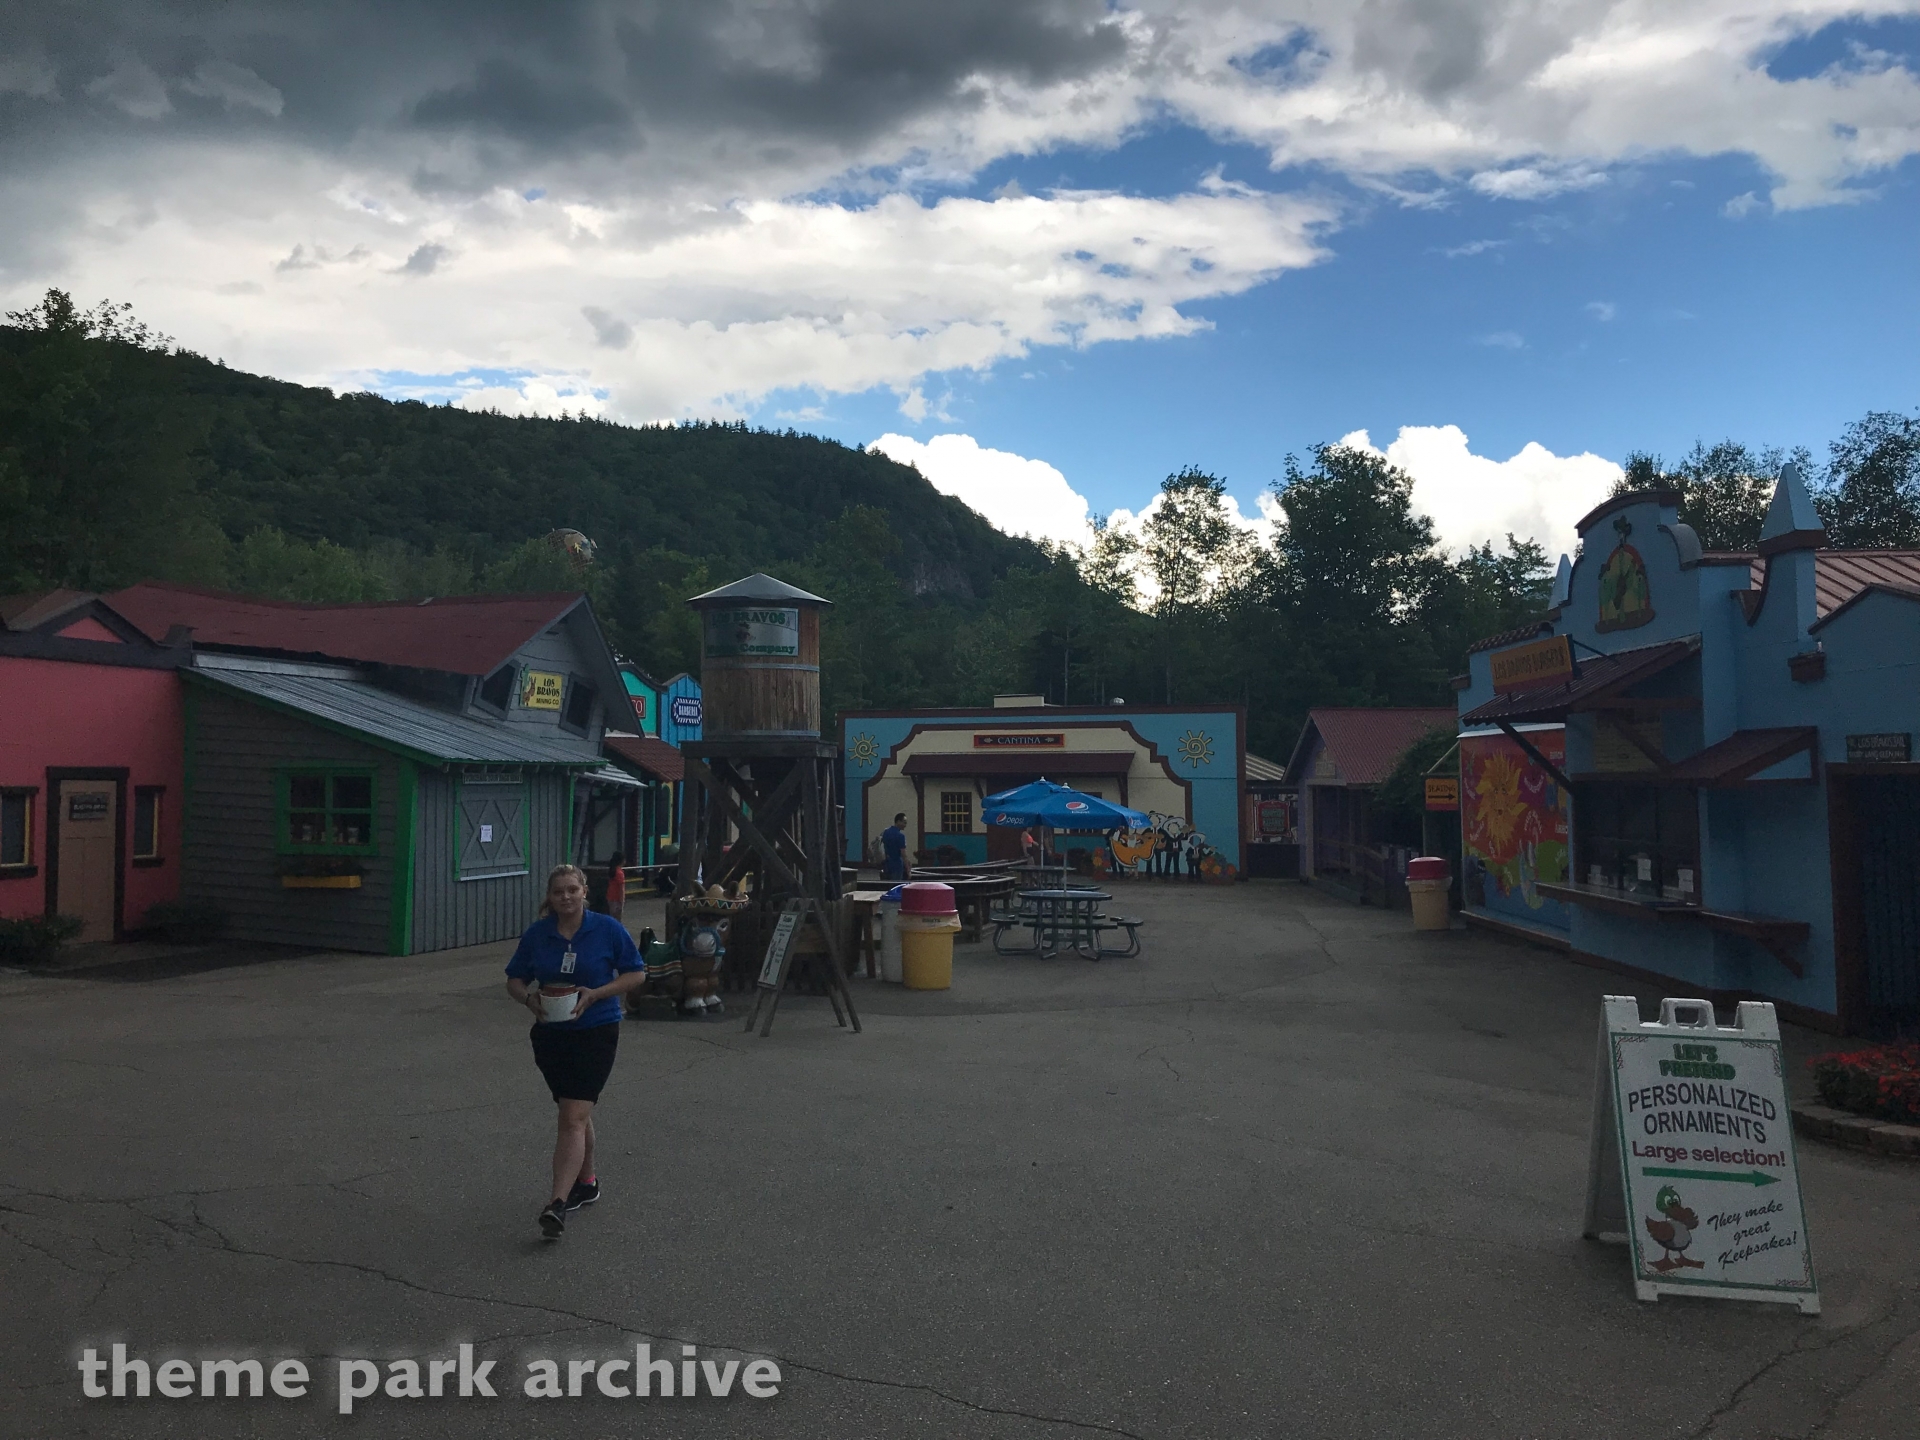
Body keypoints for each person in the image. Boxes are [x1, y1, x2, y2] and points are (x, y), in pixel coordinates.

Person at [504, 864, 649, 1239]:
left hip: (596, 1030)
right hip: (551, 1035)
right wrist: (528, 999)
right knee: (575, 1113)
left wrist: (596, 993)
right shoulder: (538, 935)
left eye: (572, 889)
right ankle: (587, 1181)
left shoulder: (607, 930)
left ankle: (557, 1203)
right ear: (549, 897)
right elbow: (515, 978)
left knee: (571, 1116)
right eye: (558, 892)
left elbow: (636, 973)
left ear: (585, 891)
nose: (565, 897)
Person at [881, 813, 909, 881]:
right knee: (896, 884)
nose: (905, 825)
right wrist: (908, 868)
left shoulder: (886, 832)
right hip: (897, 864)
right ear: (898, 821)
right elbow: (903, 854)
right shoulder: (900, 836)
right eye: (904, 822)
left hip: (887, 863)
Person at [603, 850, 626, 919]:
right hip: (617, 898)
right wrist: (622, 901)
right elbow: (621, 888)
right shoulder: (620, 873)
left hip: (610, 897)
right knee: (617, 919)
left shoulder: (612, 871)